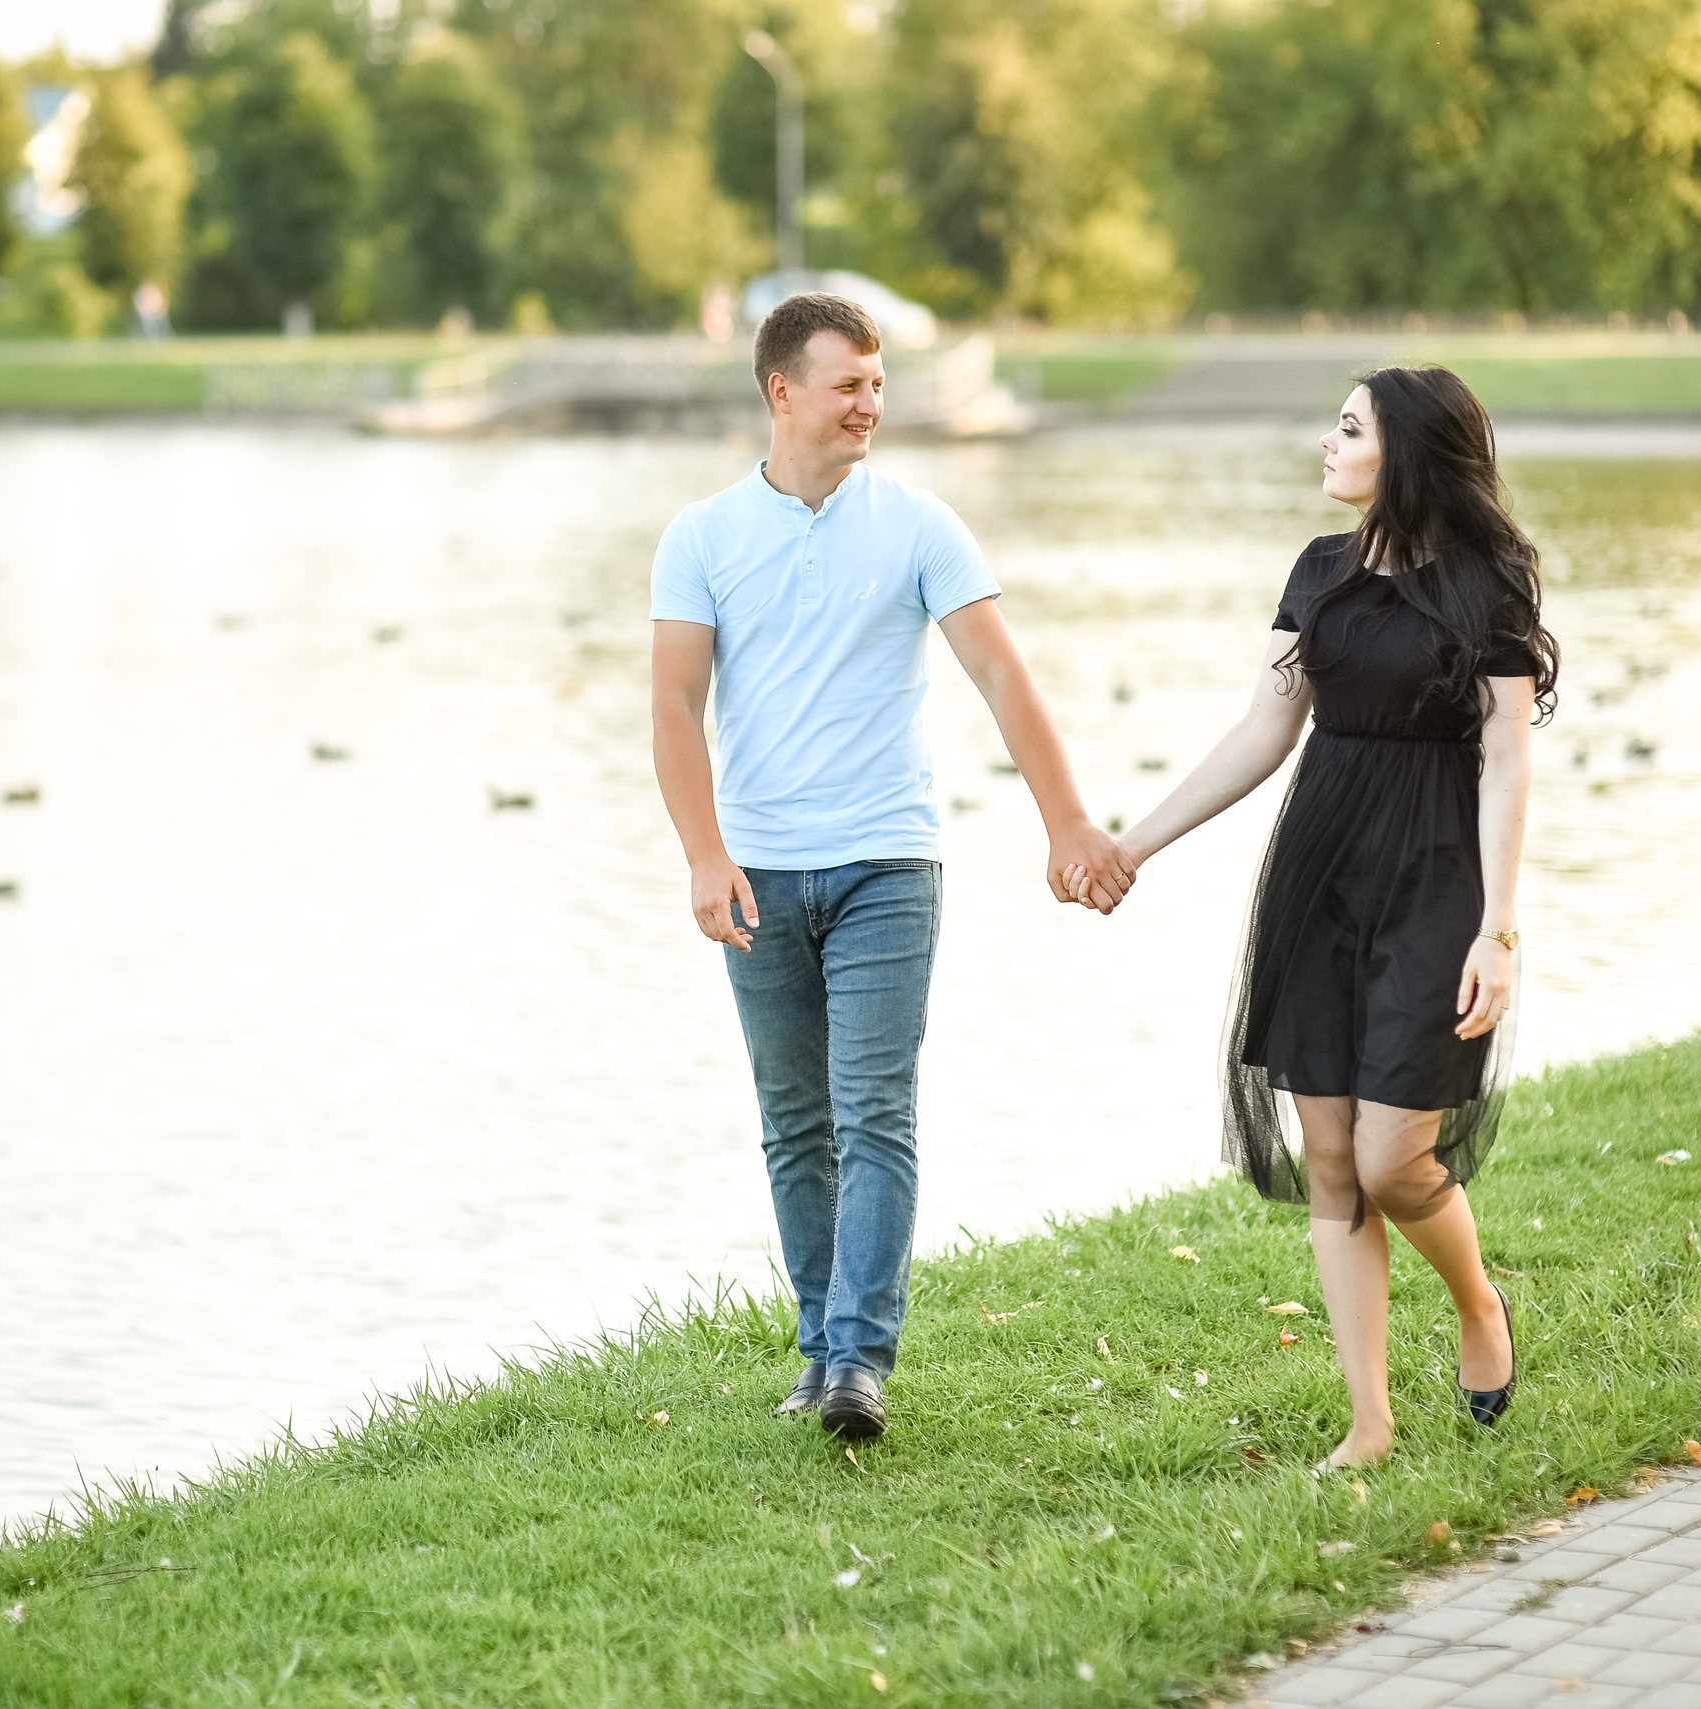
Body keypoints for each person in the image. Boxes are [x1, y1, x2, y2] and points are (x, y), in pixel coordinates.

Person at [649, 292, 1132, 1440]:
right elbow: (672, 704)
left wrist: (1067, 824)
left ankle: (857, 1359)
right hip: (759, 871)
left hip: (886, 862)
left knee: (874, 1111)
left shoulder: (920, 524)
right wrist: (703, 854)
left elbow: (1005, 679)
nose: (872, 403)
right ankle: (818, 1348)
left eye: (878, 384)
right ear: (781, 392)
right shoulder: (702, 536)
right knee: (791, 1118)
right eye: (849, 384)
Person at [1098, 366, 1557, 1468]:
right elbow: (1264, 731)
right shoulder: (1317, 570)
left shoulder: (1487, 582)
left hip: (1438, 873)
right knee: (1333, 1157)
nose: (1326, 440)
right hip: (1319, 868)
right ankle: (1369, 1418)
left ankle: (1478, 1303)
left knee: (1400, 1157)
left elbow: (1503, 758)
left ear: (1402, 451)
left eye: (1348, 428)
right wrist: (1133, 841)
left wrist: (1498, 925)